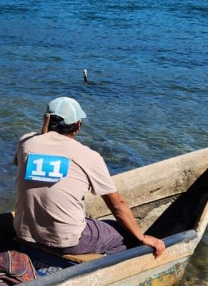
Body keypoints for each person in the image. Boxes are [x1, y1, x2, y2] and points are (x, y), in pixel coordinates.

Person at [13, 97, 166, 258]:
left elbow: (19, 161)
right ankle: (104, 265)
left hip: (25, 232)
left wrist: (43, 133)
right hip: (66, 241)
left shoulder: (25, 143)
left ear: (47, 119)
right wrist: (142, 238)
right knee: (124, 233)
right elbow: (117, 205)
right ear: (78, 124)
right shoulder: (88, 156)